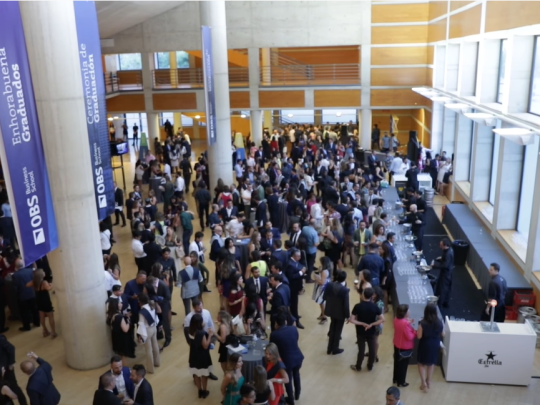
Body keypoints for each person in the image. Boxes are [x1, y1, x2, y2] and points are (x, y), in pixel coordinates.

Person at [270, 314, 303, 405]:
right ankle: (297, 394)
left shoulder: (274, 334)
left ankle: (291, 400)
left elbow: (273, 349)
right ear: (285, 321)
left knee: (288, 380)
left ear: (276, 324)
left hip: (286, 360)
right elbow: (296, 340)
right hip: (297, 357)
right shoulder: (293, 329)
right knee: (296, 375)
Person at [349, 287, 384, 372]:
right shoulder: (375, 307)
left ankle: (358, 366)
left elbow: (351, 320)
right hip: (371, 330)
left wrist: (362, 323)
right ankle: (370, 366)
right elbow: (382, 319)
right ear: (372, 296)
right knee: (372, 349)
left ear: (363, 295)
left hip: (360, 331)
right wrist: (371, 324)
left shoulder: (358, 306)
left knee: (361, 349)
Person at [417, 303, 444, 393]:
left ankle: (423, 382)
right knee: (431, 363)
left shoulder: (422, 323)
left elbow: (419, 336)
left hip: (425, 344)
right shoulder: (439, 322)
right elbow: (443, 334)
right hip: (435, 344)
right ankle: (428, 380)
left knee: (421, 363)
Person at [323, 270, 350, 355]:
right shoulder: (345, 290)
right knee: (338, 330)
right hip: (340, 313)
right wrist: (347, 316)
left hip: (331, 310)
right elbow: (346, 305)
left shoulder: (330, 285)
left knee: (332, 327)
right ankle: (335, 348)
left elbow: (324, 297)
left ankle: (329, 348)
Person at [188, 313, 214, 398]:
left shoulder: (190, 330)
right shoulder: (201, 333)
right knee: (204, 374)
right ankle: (204, 391)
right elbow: (205, 345)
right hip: (202, 356)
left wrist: (202, 326)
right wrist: (209, 335)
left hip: (193, 355)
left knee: (196, 373)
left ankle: (199, 390)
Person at [12, 260, 40, 332]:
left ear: (16, 266)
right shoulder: (29, 271)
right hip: (31, 293)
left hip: (22, 296)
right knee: (34, 309)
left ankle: (27, 326)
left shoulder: (15, 275)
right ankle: (37, 322)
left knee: (24, 312)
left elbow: (16, 287)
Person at [136, 293, 161, 374]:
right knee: (155, 345)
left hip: (147, 330)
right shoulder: (152, 306)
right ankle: (157, 362)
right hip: (154, 328)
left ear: (140, 301)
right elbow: (156, 317)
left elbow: (141, 324)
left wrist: (140, 335)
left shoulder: (142, 311)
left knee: (148, 350)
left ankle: (150, 369)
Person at [29, 269, 57, 338]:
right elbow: (48, 289)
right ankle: (53, 332)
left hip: (39, 301)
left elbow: (27, 285)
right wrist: (51, 285)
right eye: (43, 272)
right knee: (50, 317)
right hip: (45, 301)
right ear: (41, 275)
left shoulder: (34, 282)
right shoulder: (44, 282)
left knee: (42, 317)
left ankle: (45, 331)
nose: (44, 272)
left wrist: (34, 283)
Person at [393, 304, 416, 388]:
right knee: (403, 366)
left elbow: (402, 325)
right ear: (405, 313)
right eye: (408, 310)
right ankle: (401, 382)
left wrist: (408, 322)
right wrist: (414, 331)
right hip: (404, 347)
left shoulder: (396, 319)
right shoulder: (405, 324)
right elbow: (410, 336)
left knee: (397, 363)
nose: (409, 311)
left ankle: (395, 379)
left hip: (397, 344)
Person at [284, 250, 306, 329]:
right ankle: (295, 321)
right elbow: (291, 277)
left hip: (296, 287)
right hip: (292, 288)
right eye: (298, 256)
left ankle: (294, 317)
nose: (300, 258)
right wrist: (301, 273)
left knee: (294, 305)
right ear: (294, 256)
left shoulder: (295, 262)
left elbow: (299, 266)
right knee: (294, 305)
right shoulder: (290, 264)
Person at [432, 238, 455, 308]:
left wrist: (435, 266)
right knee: (442, 287)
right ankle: (442, 301)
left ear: (445, 245)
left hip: (446, 274)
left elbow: (445, 265)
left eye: (441, 245)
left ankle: (440, 304)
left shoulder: (448, 253)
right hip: (447, 273)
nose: (440, 247)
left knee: (443, 288)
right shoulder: (449, 250)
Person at [312, 257, 332, 325]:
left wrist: (316, 278)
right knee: (321, 302)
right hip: (325, 287)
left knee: (322, 302)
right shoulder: (328, 269)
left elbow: (322, 282)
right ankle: (322, 314)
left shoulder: (324, 271)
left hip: (323, 288)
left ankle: (324, 316)